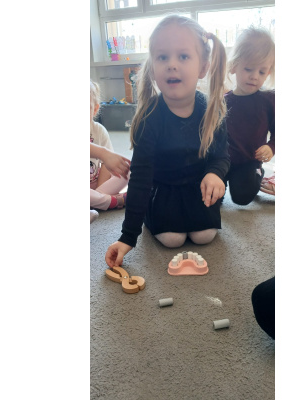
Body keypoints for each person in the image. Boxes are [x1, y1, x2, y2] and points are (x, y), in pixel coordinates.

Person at [105, 15, 229, 268]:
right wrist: (128, 237)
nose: (172, 64)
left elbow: (222, 155)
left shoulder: (212, 110)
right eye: (163, 57)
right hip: (164, 191)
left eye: (183, 56)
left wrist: (215, 173)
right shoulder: (149, 117)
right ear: (152, 67)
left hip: (197, 190)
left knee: (204, 236)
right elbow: (140, 178)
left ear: (203, 67)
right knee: (172, 239)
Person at [224, 27, 276, 204]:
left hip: (249, 161)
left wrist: (271, 147)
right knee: (209, 195)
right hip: (222, 161)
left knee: (242, 197)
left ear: (268, 73)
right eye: (248, 69)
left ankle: (259, 173)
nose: (254, 77)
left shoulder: (268, 100)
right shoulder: (224, 101)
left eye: (261, 72)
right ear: (234, 66)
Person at [90, 80, 130, 214]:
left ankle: (96, 202)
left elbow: (107, 164)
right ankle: (113, 201)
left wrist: (99, 192)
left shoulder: (99, 130)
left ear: (95, 109)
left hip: (96, 187)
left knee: (127, 169)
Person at [90, 142, 130, 223]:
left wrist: (99, 193)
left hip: (96, 189)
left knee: (126, 167)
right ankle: (117, 201)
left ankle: (96, 201)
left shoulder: (100, 134)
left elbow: (106, 161)